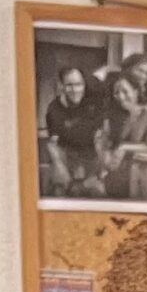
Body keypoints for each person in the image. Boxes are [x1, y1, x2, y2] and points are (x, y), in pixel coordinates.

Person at [39, 62, 106, 195]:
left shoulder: (93, 101)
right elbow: (53, 144)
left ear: (84, 84)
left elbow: (100, 138)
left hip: (90, 156)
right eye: (69, 85)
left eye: (78, 84)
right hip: (66, 157)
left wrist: (100, 170)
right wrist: (60, 167)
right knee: (60, 189)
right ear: (61, 86)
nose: (75, 90)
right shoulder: (54, 109)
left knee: (98, 191)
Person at [92, 71, 147, 195]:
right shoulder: (111, 116)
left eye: (125, 91)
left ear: (136, 91)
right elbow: (104, 145)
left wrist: (125, 147)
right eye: (117, 92)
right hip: (115, 173)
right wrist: (104, 155)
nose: (121, 97)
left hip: (141, 171)